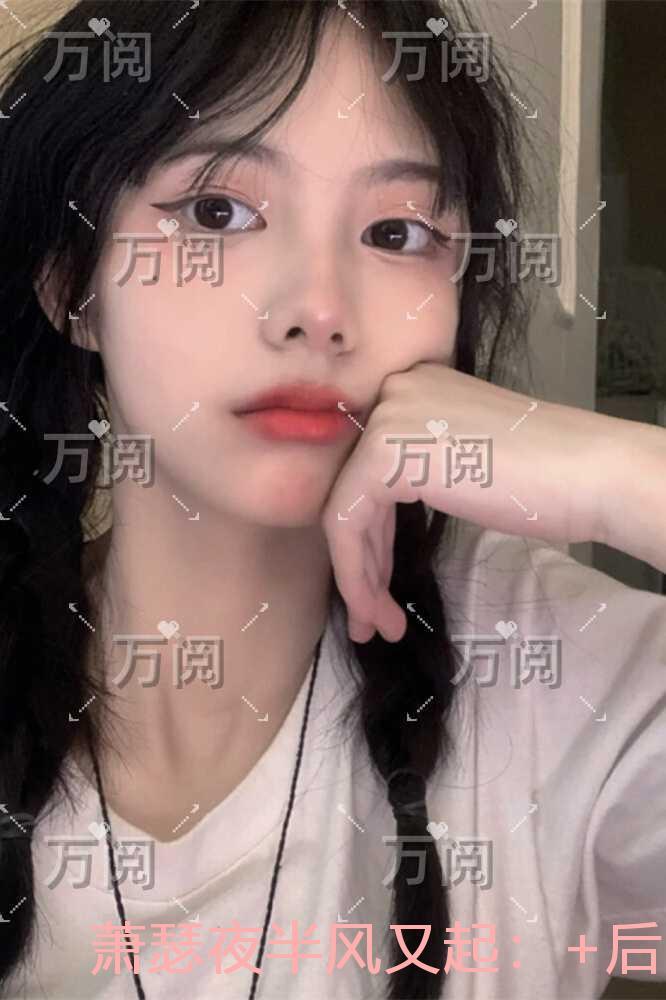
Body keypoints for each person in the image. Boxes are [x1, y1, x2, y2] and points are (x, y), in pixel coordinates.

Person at [0, 1, 664, 998]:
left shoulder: (554, 668)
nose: (318, 310)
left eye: (396, 232)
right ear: (73, 283)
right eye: (218, 213)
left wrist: (625, 478)